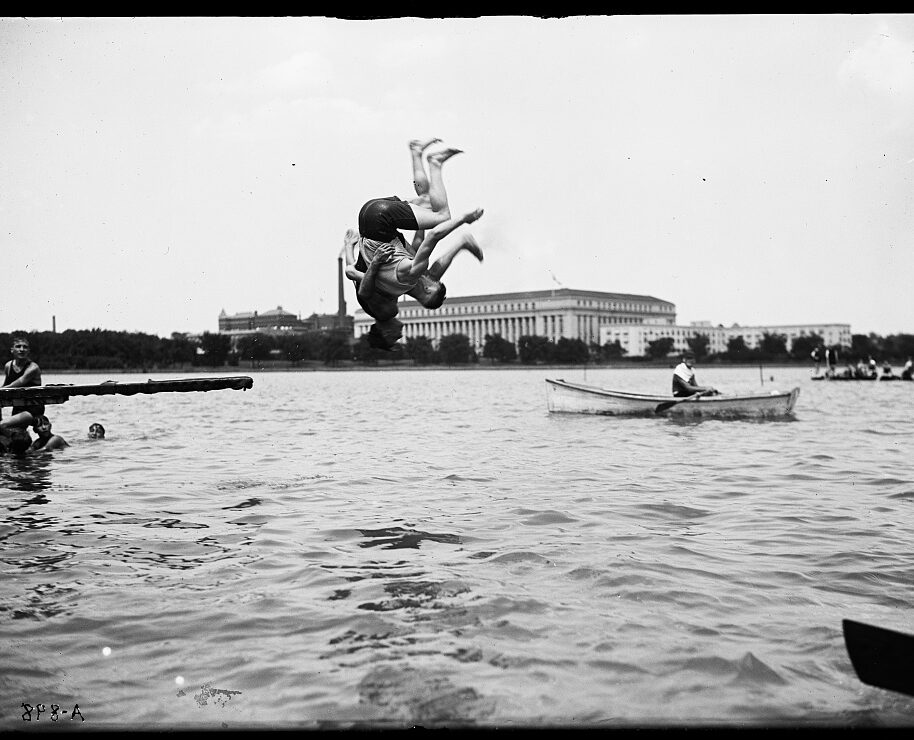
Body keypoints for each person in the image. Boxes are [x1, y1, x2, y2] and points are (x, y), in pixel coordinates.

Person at [1, 337, 44, 431]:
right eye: (18, 346)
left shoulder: (33, 368)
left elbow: (15, 385)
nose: (21, 349)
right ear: (12, 350)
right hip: (18, 407)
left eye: (25, 347)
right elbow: (4, 387)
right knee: (12, 439)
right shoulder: (8, 366)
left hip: (32, 410)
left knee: (2, 425)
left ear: (28, 351)